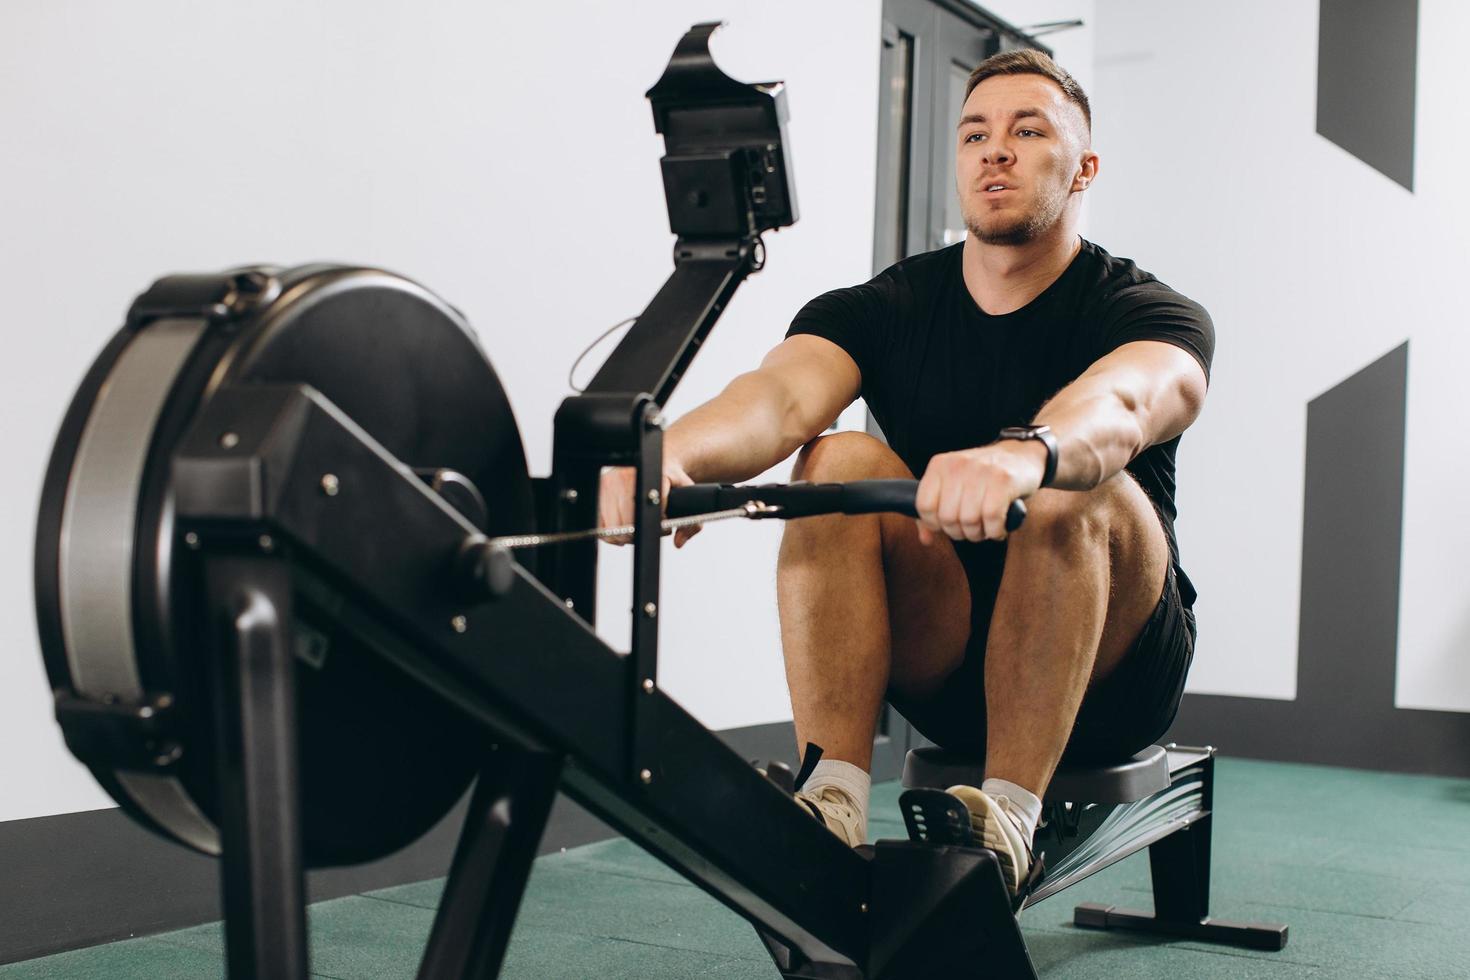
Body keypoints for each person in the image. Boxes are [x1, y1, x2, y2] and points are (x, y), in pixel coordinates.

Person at [601, 48, 1212, 898]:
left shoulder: (1144, 308)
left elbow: (1130, 402)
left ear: (1084, 169)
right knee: (837, 460)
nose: (995, 150)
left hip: (1113, 676)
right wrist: (668, 457)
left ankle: (1007, 824)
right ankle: (831, 801)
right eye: (975, 133)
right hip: (951, 658)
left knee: (1074, 485)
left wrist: (1025, 452)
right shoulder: (888, 306)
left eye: (1028, 130)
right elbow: (776, 400)